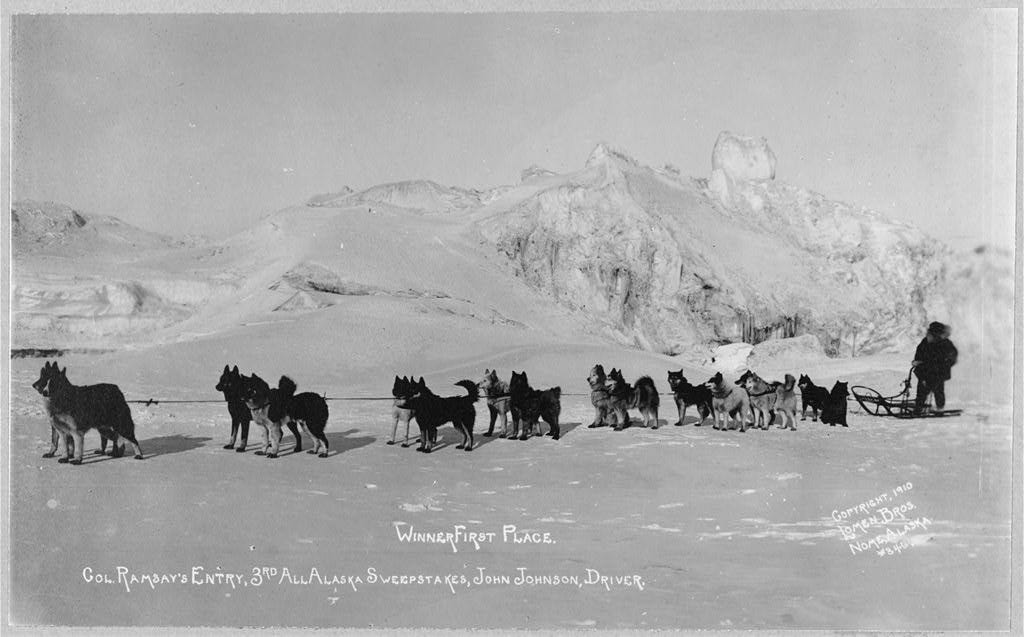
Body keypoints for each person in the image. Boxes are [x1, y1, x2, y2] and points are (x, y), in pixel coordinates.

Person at [912, 321, 958, 413]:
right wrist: (917, 362)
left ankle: (939, 407)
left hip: (938, 373)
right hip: (925, 372)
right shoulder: (925, 342)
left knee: (938, 390)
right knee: (922, 390)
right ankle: (919, 407)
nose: (928, 334)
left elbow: (952, 357)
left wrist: (944, 364)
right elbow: (919, 353)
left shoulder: (945, 344)